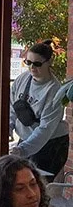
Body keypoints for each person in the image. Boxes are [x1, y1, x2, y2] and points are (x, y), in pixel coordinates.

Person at [9, 41, 69, 181]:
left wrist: (22, 149)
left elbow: (45, 129)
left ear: (49, 62)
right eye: (28, 62)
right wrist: (8, 127)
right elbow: (11, 106)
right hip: (28, 138)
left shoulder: (54, 90)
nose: (32, 67)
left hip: (51, 143)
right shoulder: (22, 79)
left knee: (37, 184)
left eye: (37, 64)